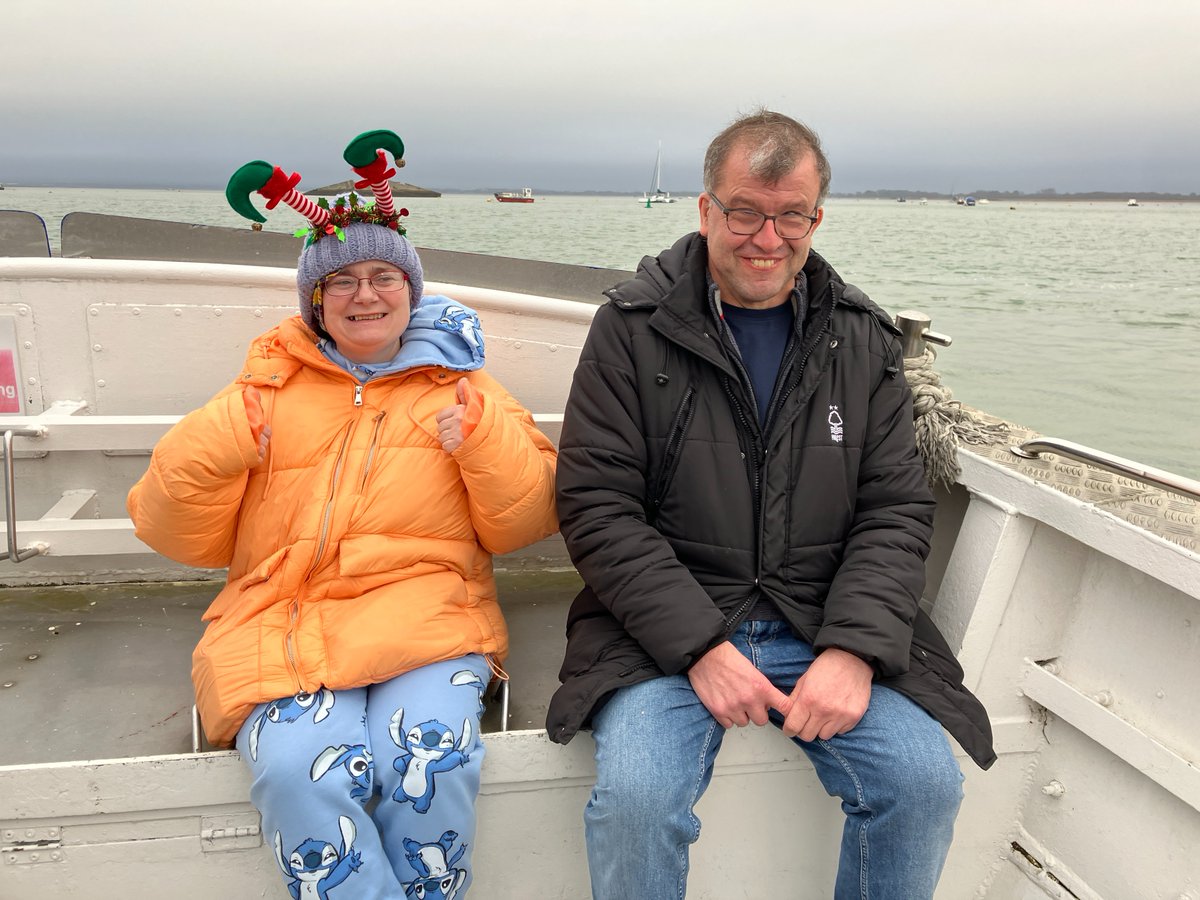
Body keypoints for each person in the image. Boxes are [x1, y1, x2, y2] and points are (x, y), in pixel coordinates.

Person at [547, 109, 995, 898]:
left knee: (923, 785)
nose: (768, 237)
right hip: (663, 633)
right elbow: (596, 504)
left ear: (816, 217)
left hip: (823, 619)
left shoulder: (861, 339)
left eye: (792, 216)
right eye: (746, 212)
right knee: (639, 802)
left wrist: (855, 650)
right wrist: (700, 649)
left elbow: (894, 509)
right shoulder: (629, 329)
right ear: (706, 209)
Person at [127, 130, 558, 898]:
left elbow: (523, 523)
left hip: (428, 620)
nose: (366, 295)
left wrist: (484, 443)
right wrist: (220, 442)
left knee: (428, 758)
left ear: (411, 290)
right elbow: (173, 533)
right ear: (315, 301)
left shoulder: (465, 389)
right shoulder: (263, 392)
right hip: (284, 617)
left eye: (385, 276)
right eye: (344, 281)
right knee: (297, 769)